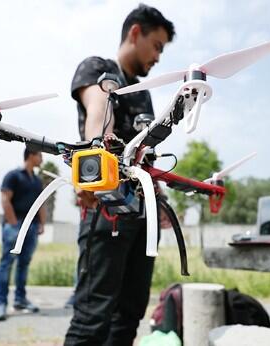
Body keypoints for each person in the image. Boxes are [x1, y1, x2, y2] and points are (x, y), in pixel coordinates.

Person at [65, 4, 175, 345]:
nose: (158, 56)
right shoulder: (98, 68)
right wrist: (97, 153)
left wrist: (160, 199)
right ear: (135, 32)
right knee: (93, 316)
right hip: (106, 209)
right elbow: (100, 109)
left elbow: (145, 152)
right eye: (157, 45)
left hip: (144, 216)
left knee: (129, 315)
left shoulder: (143, 92)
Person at [0, 148, 46, 321]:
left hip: (32, 227)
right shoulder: (13, 176)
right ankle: (1, 303)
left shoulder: (37, 181)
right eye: (40, 155)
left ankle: (20, 299)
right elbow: (5, 199)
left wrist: (41, 223)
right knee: (7, 263)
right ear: (31, 155)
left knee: (24, 264)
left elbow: (41, 204)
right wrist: (14, 223)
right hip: (14, 226)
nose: (42, 158)